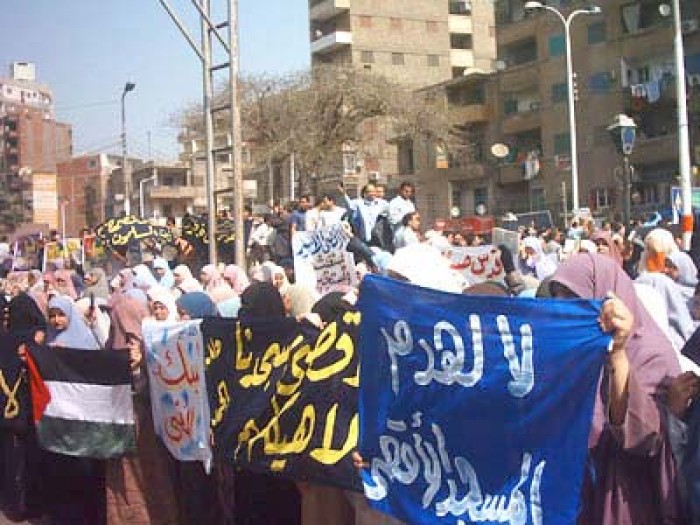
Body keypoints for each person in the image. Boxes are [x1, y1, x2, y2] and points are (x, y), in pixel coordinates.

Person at [550, 253, 684, 523]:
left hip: (624, 500)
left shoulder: (651, 354)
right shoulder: (567, 352)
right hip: (571, 496)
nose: (564, 309)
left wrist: (618, 353)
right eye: (557, 299)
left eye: (575, 299)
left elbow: (645, 437)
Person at [105, 294, 180, 525]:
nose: (128, 343)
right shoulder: (110, 350)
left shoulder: (159, 348)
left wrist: (141, 368)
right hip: (121, 425)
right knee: (123, 479)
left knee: (153, 476)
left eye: (132, 335)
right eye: (122, 334)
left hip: (150, 427)